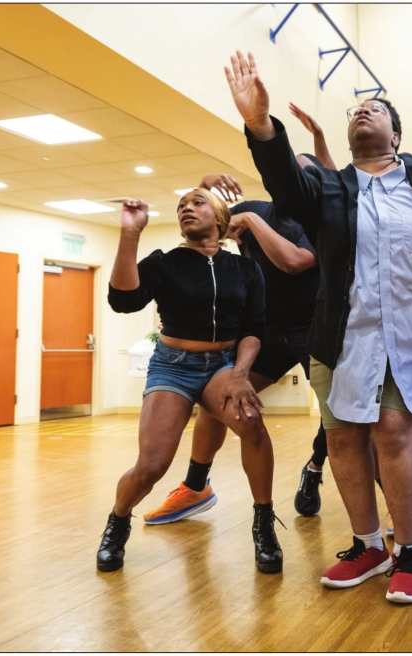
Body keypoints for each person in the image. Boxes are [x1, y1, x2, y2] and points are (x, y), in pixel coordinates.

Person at [227, 50, 412, 604]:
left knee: (394, 431)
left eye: (375, 108)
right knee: (342, 437)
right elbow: (285, 181)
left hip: (410, 333)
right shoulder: (328, 189)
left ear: (396, 135)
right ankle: (368, 545)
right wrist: (260, 124)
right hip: (338, 338)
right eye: (355, 110)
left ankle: (408, 551)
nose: (363, 112)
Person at [99, 189, 282, 574]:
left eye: (197, 203)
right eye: (182, 205)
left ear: (220, 218)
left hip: (223, 365)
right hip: (173, 366)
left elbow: (254, 328)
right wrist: (131, 233)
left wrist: (240, 374)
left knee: (251, 423)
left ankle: (263, 524)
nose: (187, 208)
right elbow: (123, 300)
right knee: (151, 467)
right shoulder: (165, 263)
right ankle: (118, 520)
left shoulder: (245, 269)